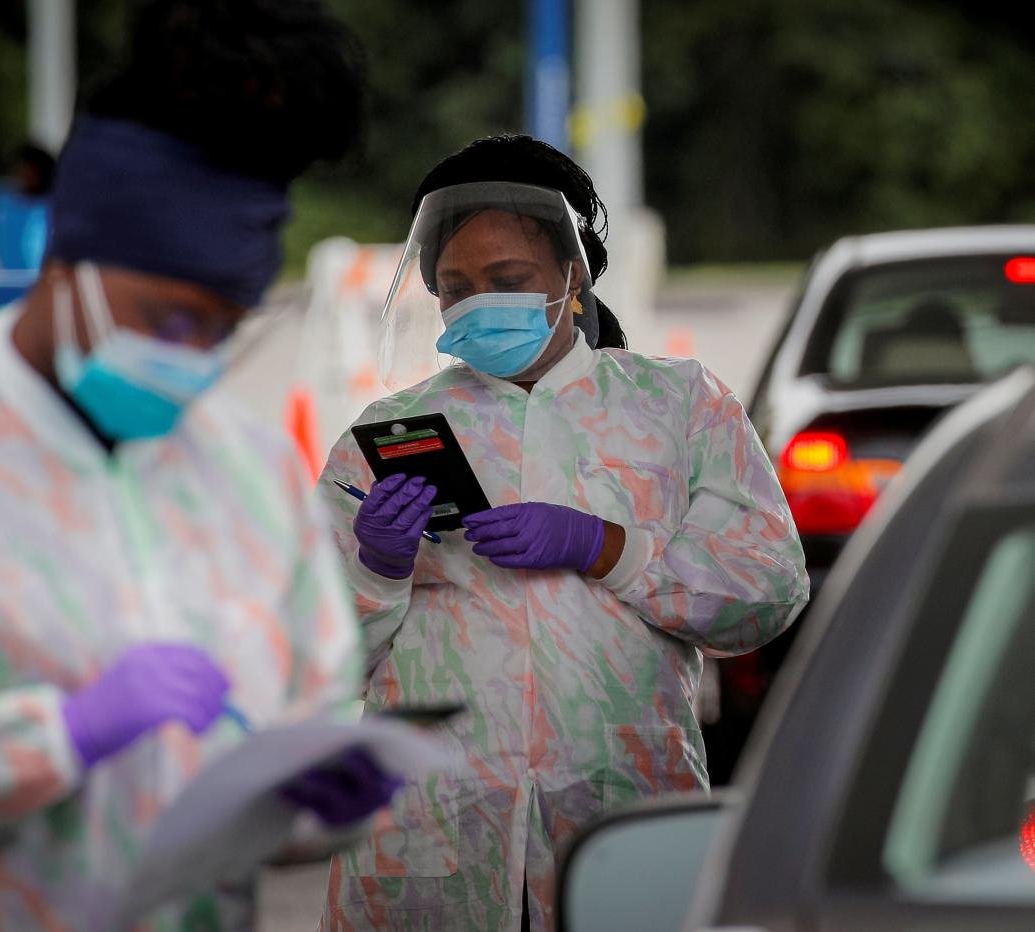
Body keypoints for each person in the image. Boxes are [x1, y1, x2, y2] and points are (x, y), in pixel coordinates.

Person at [0, 2, 397, 929]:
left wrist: (322, 801)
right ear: (66, 261)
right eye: (167, 317)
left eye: (224, 328)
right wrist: (58, 737)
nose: (194, 354)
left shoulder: (249, 472)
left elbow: (304, 718)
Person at [317, 135, 810, 930]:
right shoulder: (392, 431)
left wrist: (604, 548)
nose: (480, 304)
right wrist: (375, 565)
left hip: (618, 820)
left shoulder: (675, 406)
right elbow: (312, 658)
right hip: (432, 830)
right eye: (456, 288)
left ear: (573, 274)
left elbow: (766, 594)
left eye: (508, 280)